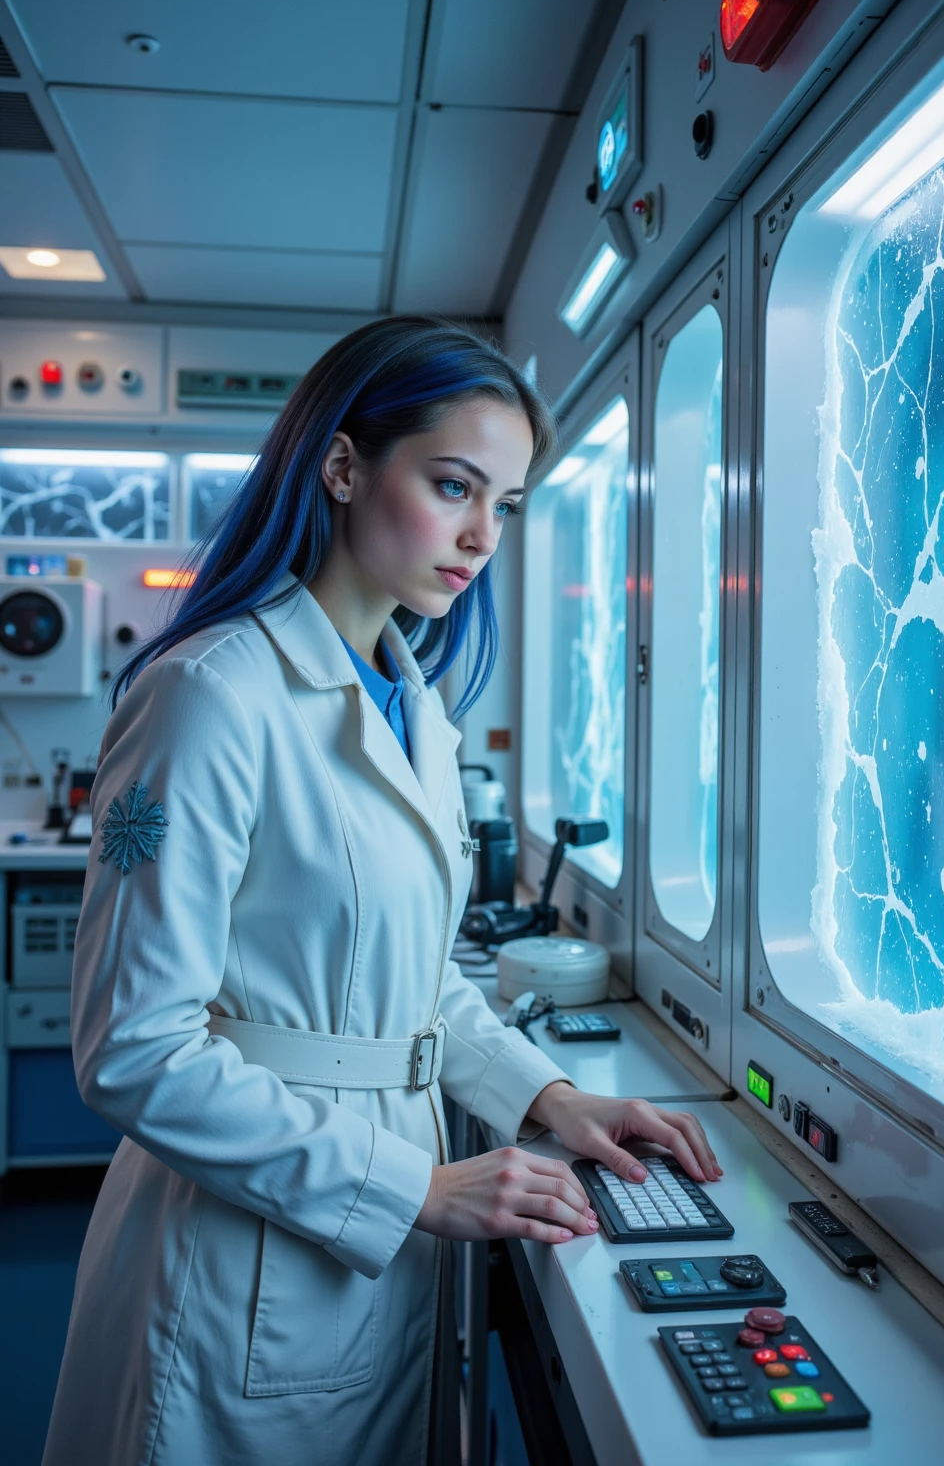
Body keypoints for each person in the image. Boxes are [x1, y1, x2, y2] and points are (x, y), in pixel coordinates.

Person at [43, 317, 722, 1466]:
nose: (481, 536)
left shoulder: (414, 705)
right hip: (242, 1246)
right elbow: (134, 1049)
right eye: (453, 485)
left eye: (504, 504)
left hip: (391, 1205)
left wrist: (550, 1097)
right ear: (344, 467)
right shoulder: (210, 694)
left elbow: (416, 985)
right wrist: (411, 1189)